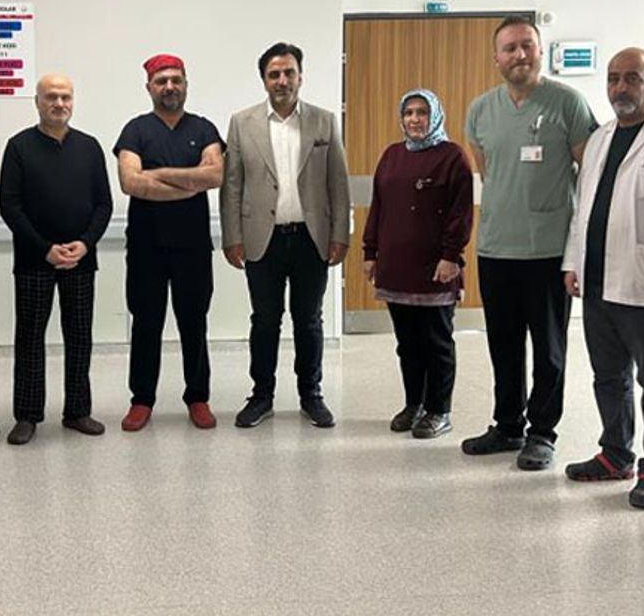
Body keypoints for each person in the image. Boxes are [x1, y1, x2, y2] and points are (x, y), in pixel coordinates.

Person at [560, 48, 644, 510]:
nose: (620, 87)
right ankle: (615, 454)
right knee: (608, 375)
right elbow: (583, 210)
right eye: (613, 78)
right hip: (598, 280)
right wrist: (572, 262)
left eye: (632, 78)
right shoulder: (600, 138)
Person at [460, 17, 598, 470]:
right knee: (503, 345)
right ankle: (507, 426)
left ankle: (542, 432)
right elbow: (489, 172)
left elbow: (591, 175)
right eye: (510, 48)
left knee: (549, 349)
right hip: (496, 247)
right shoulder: (481, 110)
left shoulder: (567, 103)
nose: (519, 55)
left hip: (548, 251)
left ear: (540, 51)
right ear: (496, 58)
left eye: (527, 45)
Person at [221, 42, 350, 429]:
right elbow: (232, 184)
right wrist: (232, 236)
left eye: (289, 72)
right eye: (274, 74)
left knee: (309, 320)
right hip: (262, 238)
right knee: (265, 320)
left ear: (300, 77)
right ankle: (261, 396)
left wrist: (340, 233)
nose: (282, 80)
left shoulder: (324, 121)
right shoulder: (242, 123)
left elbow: (338, 182)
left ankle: (311, 395)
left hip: (312, 238)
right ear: (264, 80)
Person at [0, 75, 112, 445]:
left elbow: (103, 204)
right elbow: (10, 206)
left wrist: (85, 244)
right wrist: (45, 248)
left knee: (79, 337)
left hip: (81, 261)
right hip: (34, 261)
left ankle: (77, 411)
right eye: (51, 97)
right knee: (30, 338)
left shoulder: (89, 147)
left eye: (65, 97)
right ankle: (28, 415)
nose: (59, 103)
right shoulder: (19, 147)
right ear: (37, 102)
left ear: (73, 101)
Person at [113, 54, 224, 432]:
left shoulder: (203, 129)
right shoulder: (135, 131)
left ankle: (198, 397)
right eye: (161, 81)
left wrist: (158, 175)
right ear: (149, 88)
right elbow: (131, 182)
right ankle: (142, 400)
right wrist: (189, 182)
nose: (169, 87)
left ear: (186, 84)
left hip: (193, 247)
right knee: (146, 324)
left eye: (176, 80)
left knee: (194, 323)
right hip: (147, 248)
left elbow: (215, 175)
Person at [361, 88, 473, 440]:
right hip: (396, 266)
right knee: (407, 343)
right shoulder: (391, 156)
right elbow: (378, 207)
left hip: (435, 268)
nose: (414, 119)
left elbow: (460, 213)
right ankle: (414, 404)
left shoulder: (452, 157)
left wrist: (451, 256)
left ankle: (439, 409)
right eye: (408, 112)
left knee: (436, 342)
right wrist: (369, 252)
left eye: (422, 112)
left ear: (435, 115)